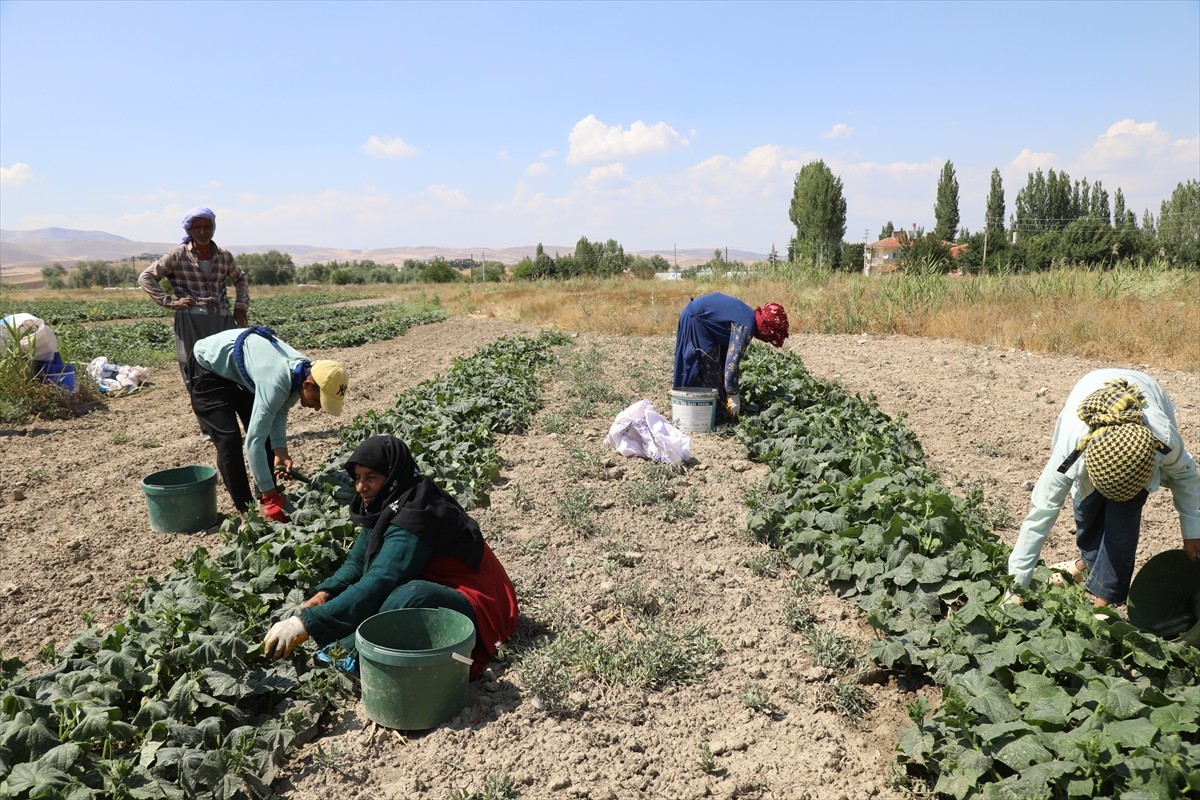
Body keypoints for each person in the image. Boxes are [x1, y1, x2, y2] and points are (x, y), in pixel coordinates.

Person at [262, 435, 520, 680]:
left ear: (392, 476)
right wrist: (324, 595)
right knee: (393, 593)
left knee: (408, 595)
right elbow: (356, 562)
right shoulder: (390, 502)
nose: (361, 487)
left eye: (371, 477)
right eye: (357, 477)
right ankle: (350, 643)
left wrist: (305, 623)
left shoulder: (416, 516)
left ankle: (349, 654)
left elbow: (381, 580)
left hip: (481, 606)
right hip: (445, 590)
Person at [1007, 369, 1199, 609]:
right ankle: (1083, 567)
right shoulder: (1071, 451)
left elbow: (1186, 474)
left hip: (1145, 401)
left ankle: (1101, 606)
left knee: (1122, 528)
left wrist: (1192, 530)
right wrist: (1015, 588)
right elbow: (1040, 514)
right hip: (1089, 387)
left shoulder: (1161, 439)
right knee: (1087, 517)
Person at [190, 325, 348, 523]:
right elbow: (253, 441)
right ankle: (247, 512)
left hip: (239, 371)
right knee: (229, 441)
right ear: (308, 385)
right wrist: (270, 495)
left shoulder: (303, 371)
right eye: (319, 401)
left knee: (266, 438)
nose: (317, 408)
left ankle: (264, 504)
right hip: (208, 367)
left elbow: (279, 410)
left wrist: (280, 450)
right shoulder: (277, 381)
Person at [138, 207, 249, 440]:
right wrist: (169, 302)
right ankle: (210, 428)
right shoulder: (177, 255)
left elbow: (240, 278)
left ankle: (242, 423)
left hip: (221, 319)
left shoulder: (224, 256)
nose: (202, 231)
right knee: (195, 372)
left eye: (206, 226)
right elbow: (146, 277)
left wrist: (240, 307)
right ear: (189, 230)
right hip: (191, 319)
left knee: (232, 369)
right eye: (197, 227)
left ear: (213, 228)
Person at [672, 292, 789, 421]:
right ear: (768, 328)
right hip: (696, 320)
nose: (767, 341)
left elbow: (727, 355)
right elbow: (732, 364)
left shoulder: (749, 316)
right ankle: (699, 415)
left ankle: (709, 411)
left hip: (701, 318)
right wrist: (733, 395)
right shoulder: (746, 326)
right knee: (708, 370)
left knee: (716, 368)